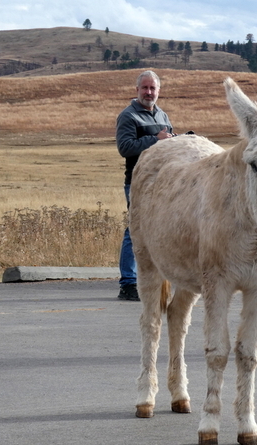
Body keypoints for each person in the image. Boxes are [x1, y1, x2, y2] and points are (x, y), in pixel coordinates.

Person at [115, 70, 174, 301]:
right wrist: (156, 140)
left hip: (162, 183)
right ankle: (128, 284)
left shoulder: (163, 115)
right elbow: (125, 148)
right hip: (138, 184)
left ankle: (157, 281)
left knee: (160, 230)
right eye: (145, 88)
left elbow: (166, 142)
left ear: (158, 91)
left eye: (153, 89)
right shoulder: (128, 116)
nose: (149, 92)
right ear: (137, 90)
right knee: (134, 231)